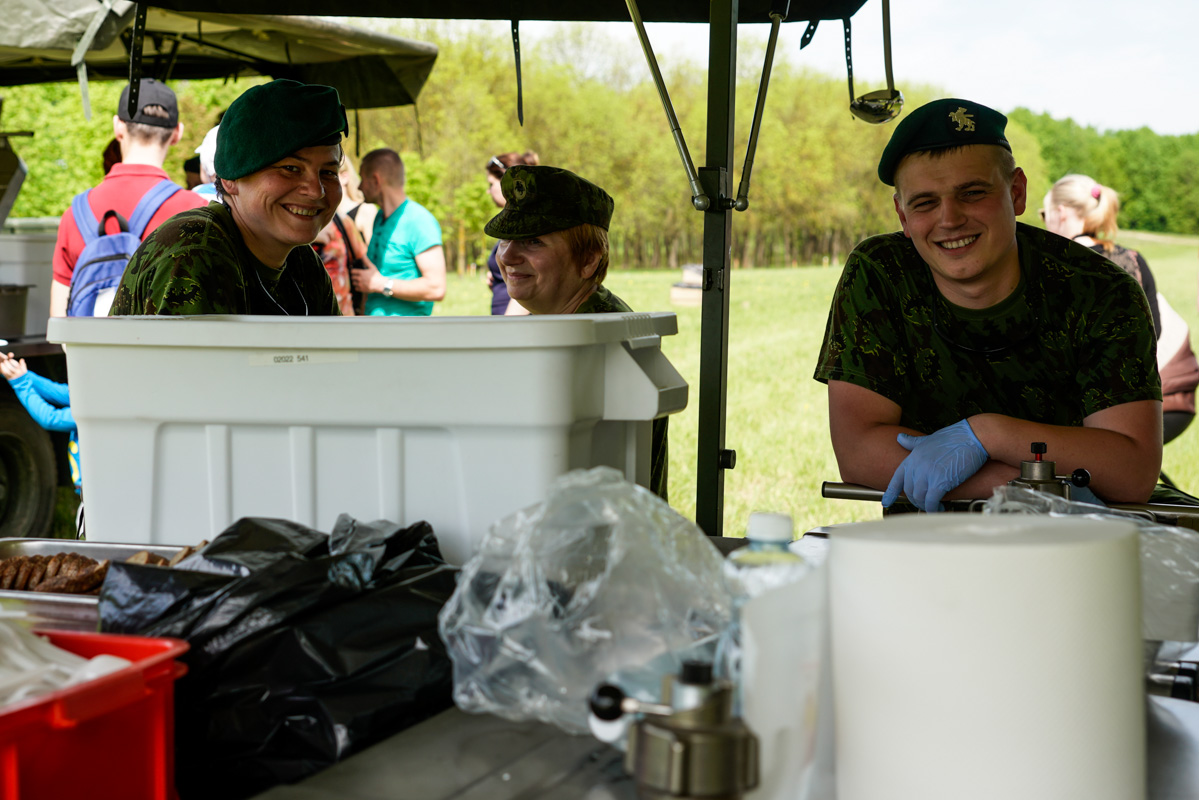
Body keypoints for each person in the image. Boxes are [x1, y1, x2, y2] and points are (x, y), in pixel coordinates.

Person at [813, 98, 1163, 513]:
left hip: (1077, 542)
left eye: (972, 193)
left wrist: (989, 434)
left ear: (1016, 193)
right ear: (902, 216)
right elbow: (860, 453)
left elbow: (1132, 471)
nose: (949, 218)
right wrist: (1021, 488)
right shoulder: (880, 274)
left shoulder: (1100, 290)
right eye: (924, 202)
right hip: (927, 541)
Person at [484, 164, 669, 499]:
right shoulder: (569, 325)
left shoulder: (595, 342)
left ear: (589, 259)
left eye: (533, 241)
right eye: (506, 239)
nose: (508, 255)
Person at [109, 79, 346, 316]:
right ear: (231, 178)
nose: (316, 191)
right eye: (290, 169)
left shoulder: (302, 264)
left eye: (328, 172)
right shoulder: (197, 250)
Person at [1042, 174, 1199, 444]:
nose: (1043, 222)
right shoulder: (1133, 259)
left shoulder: (1058, 263)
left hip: (1102, 415)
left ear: (1061, 213)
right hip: (1170, 406)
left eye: (1043, 214)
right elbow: (1152, 333)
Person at [50, 78, 206, 317]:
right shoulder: (197, 212)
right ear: (177, 133)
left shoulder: (74, 215)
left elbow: (60, 323)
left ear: (118, 127)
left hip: (92, 354)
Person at [351, 149, 446, 316]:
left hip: (405, 337)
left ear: (375, 180)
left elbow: (437, 287)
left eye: (362, 179)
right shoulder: (379, 217)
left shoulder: (419, 221)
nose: (359, 187)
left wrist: (382, 284)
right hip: (375, 335)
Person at [0, 353, 80, 495]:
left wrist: (20, 383)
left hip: (98, 496)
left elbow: (50, 418)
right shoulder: (99, 395)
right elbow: (53, 390)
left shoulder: (103, 406)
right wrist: (10, 368)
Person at [484, 151, 539, 315]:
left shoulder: (527, 222)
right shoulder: (513, 223)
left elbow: (533, 281)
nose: (489, 191)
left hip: (515, 328)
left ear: (505, 182)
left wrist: (508, 327)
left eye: (491, 184)